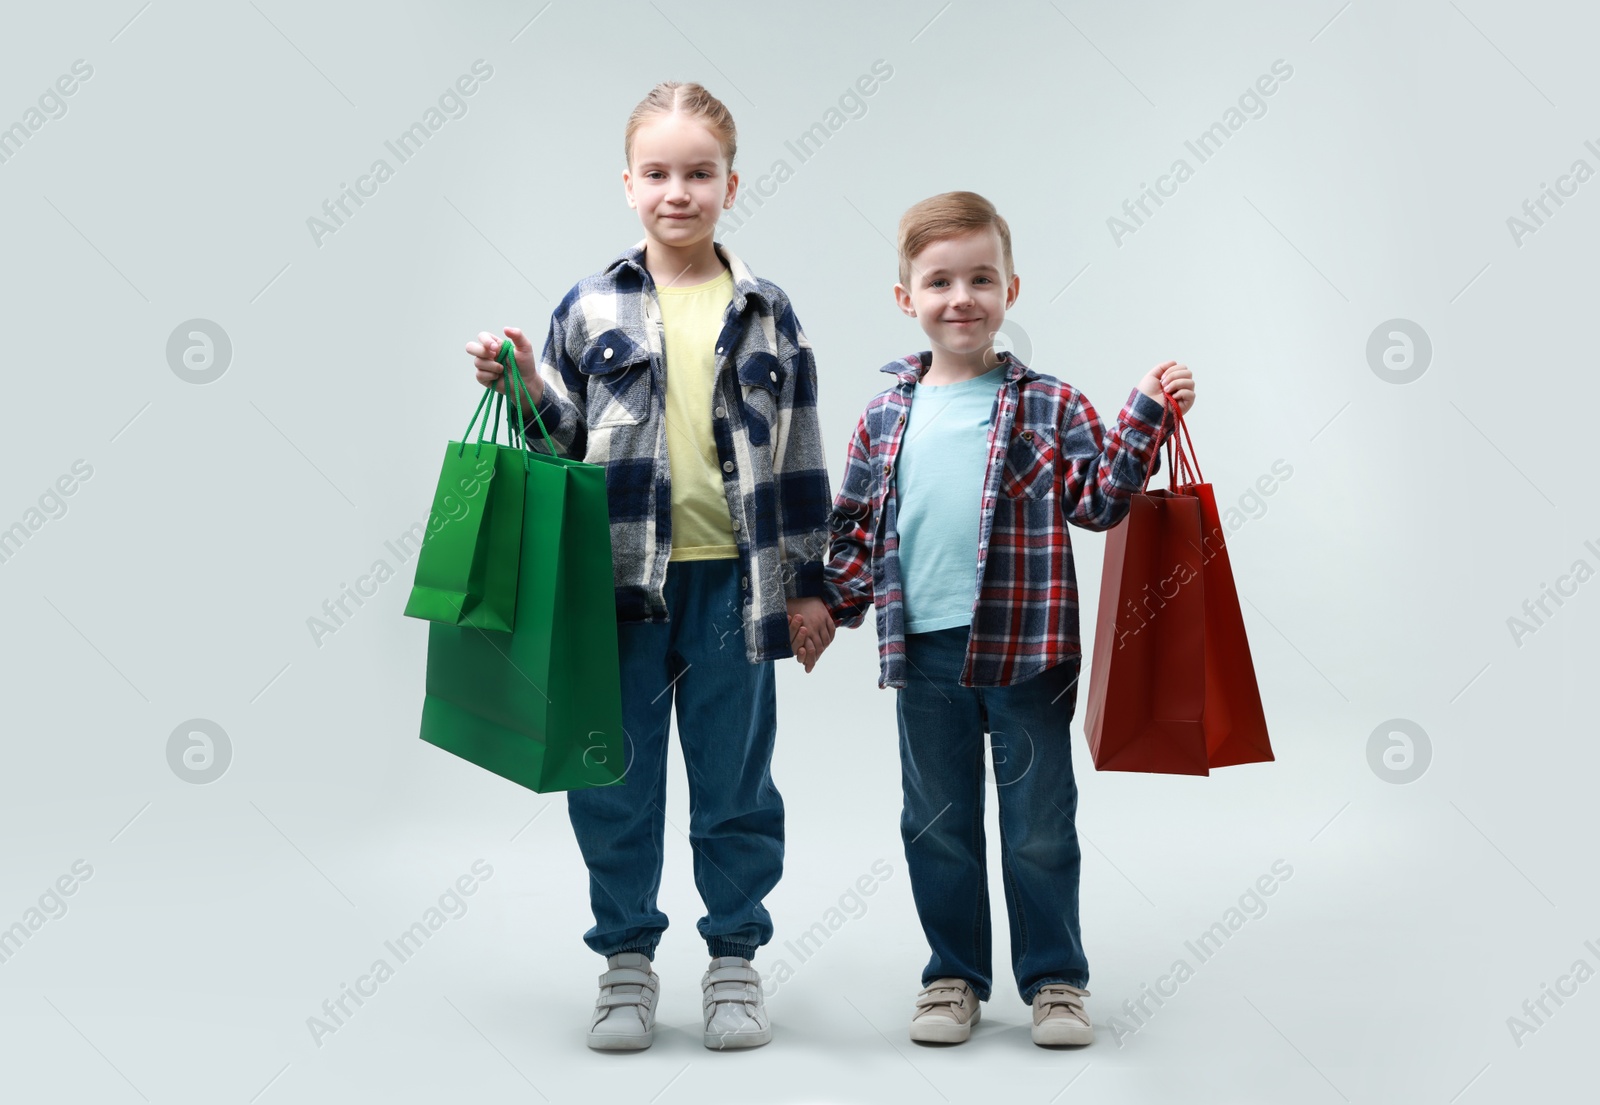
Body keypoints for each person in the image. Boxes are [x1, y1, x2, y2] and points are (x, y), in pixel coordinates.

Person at [465, 81, 835, 1052]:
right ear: (628, 184)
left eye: (700, 172)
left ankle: (733, 961)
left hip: (733, 590)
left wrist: (808, 585)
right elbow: (562, 450)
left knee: (735, 784)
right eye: (659, 172)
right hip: (614, 592)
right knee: (613, 782)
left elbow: (799, 455)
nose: (680, 190)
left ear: (730, 182)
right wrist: (522, 386)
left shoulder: (767, 310)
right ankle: (626, 960)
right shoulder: (589, 307)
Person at [792, 190, 1194, 1047]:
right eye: (940, 281)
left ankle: (1055, 979)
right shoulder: (885, 414)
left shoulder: (1051, 404)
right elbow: (857, 530)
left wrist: (1146, 410)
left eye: (981, 277)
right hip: (924, 657)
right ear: (908, 299)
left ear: (1011, 288)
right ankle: (951, 977)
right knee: (936, 823)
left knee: (1039, 825)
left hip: (1028, 652)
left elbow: (1097, 503)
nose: (961, 297)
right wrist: (827, 605)